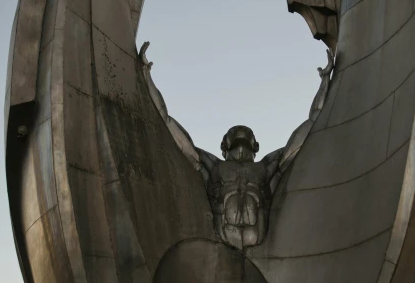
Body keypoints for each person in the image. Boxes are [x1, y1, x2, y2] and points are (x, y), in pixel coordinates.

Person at [139, 42, 334, 250]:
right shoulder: (213, 165)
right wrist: (145, 76)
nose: (242, 133)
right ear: (224, 145)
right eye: (235, 133)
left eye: (247, 133)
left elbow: (313, 124)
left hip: (257, 233)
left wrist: (325, 81)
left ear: (255, 145)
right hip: (222, 235)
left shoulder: (266, 166)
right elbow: (166, 122)